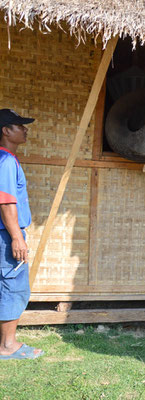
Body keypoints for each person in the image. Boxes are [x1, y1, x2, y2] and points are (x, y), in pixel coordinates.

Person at [0, 108, 43, 359]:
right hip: (6, 235)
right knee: (13, 285)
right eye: (19, 126)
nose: (25, 129)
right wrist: (17, 237)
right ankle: (7, 346)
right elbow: (6, 202)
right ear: (6, 131)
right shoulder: (5, 161)